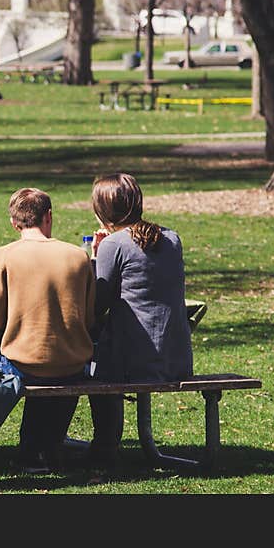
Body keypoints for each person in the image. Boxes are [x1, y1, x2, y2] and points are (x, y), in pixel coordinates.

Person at [0, 187, 95, 472]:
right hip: (72, 363)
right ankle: (40, 448)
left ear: (14, 223)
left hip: (22, 363)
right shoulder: (79, 256)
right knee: (51, 361)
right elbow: (88, 320)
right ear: (48, 216)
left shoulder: (3, 256)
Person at [87, 173, 193, 464]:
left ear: (102, 211)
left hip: (134, 361)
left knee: (83, 361)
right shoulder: (172, 238)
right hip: (176, 358)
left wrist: (97, 257)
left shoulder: (114, 245)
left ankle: (104, 444)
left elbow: (98, 305)